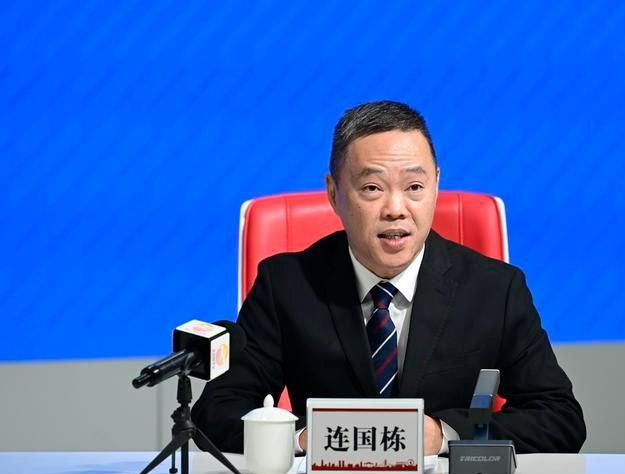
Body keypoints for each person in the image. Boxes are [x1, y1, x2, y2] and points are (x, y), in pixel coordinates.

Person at [192, 100, 586, 455]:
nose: (396, 209)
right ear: (334, 193)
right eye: (372, 188)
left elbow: (559, 418)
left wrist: (443, 434)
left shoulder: (495, 290)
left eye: (414, 187)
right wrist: (307, 439)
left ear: (436, 185)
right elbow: (217, 412)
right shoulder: (287, 286)